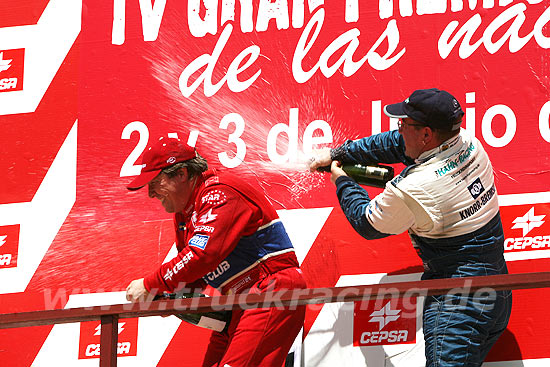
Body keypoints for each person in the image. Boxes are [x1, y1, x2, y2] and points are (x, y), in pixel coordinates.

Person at [308, 88, 512, 367]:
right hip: (497, 287)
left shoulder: (414, 188)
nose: (399, 128)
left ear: (427, 134)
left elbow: (367, 223)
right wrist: (340, 151)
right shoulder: (466, 141)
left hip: (458, 302)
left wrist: (342, 180)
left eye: (404, 124)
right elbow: (395, 143)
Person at [125, 136, 306, 367]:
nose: (150, 193)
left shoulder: (218, 192)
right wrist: (170, 297)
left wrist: (152, 284)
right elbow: (196, 272)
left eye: (154, 182)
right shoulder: (185, 212)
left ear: (181, 174)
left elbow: (202, 255)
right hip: (239, 301)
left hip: (271, 289)